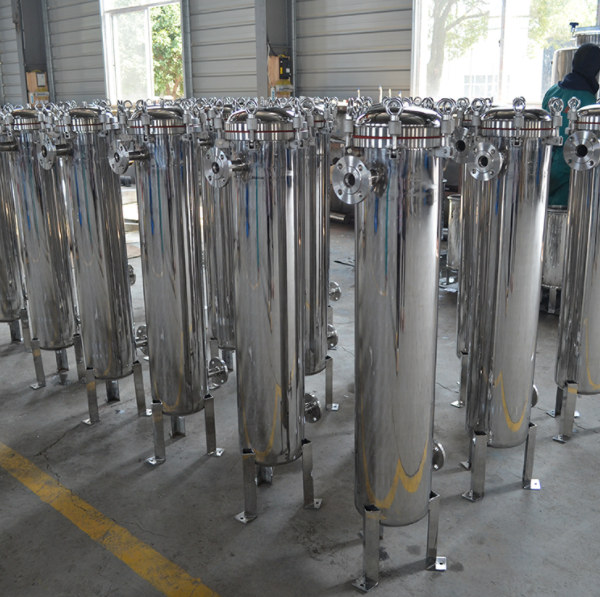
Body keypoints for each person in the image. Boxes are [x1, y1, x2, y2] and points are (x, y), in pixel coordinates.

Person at [542, 43, 600, 207]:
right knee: (564, 215)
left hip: (544, 165)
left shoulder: (552, 91)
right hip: (570, 171)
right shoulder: (590, 104)